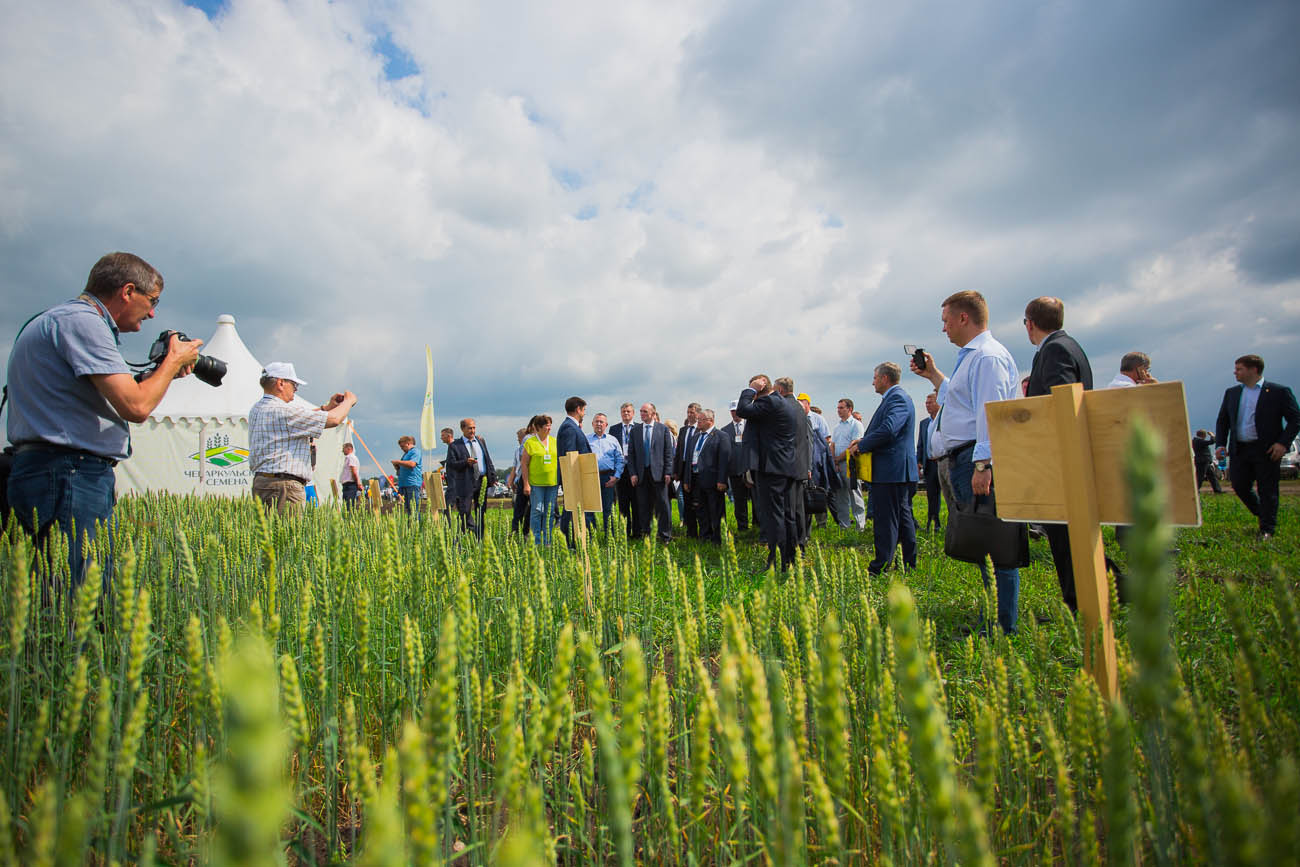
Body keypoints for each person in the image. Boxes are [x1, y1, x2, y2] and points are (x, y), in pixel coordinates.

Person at [5, 252, 202, 588]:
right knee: (76, 596)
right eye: (151, 300)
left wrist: (163, 375)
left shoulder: (55, 319)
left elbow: (117, 396)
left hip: (52, 472)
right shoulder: (84, 323)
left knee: (53, 595)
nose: (153, 312)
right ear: (127, 292)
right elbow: (135, 407)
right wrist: (172, 361)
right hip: (69, 474)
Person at [912, 290, 1022, 634]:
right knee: (985, 543)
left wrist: (982, 464)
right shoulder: (971, 357)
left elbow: (988, 411)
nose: (943, 329)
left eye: (946, 321)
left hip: (976, 458)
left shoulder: (987, 357)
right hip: (966, 457)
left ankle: (1002, 625)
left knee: (995, 544)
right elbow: (958, 401)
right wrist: (933, 375)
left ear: (963, 317)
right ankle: (993, 616)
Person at [1023, 296, 1094, 612]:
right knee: (1069, 535)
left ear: (1030, 324)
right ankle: (1098, 589)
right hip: (1063, 455)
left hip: (1060, 457)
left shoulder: (1055, 349)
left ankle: (1082, 599)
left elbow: (1061, 402)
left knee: (1066, 537)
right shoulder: (1069, 345)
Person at [248, 362, 357, 513]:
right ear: (280, 383)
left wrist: (326, 408)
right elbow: (334, 419)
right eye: (293, 384)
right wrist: (349, 402)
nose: (295, 389)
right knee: (287, 534)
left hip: (262, 483)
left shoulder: (258, 408)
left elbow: (295, 419)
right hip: (284, 487)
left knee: (268, 534)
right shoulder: (283, 411)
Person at [1215, 354, 1300, 540]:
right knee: (1239, 484)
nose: (1235, 372)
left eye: (1239, 369)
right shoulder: (1233, 393)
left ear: (1254, 370)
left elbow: (1295, 419)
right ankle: (1264, 514)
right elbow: (1223, 421)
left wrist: (1283, 443)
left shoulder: (1279, 392)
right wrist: (1221, 444)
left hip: (1267, 450)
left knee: (1267, 489)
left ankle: (1267, 529)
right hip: (1240, 449)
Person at [849, 363, 918, 575]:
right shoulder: (896, 398)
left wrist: (862, 445)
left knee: (886, 519)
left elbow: (889, 430)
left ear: (885, 379)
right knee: (902, 516)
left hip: (891, 470)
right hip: (895, 470)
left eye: (875, 378)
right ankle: (908, 563)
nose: (873, 382)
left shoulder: (897, 399)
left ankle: (881, 565)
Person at [737, 374, 807, 571]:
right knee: (786, 515)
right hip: (785, 466)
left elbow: (743, 409)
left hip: (772, 468)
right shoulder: (784, 403)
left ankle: (778, 562)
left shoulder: (770, 401)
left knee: (774, 515)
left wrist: (751, 389)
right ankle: (789, 558)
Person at [626, 402, 675, 542]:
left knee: (663, 505)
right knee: (643, 505)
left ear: (653, 414)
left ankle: (665, 535)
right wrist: (633, 473)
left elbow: (668, 453)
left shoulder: (663, 429)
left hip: (659, 474)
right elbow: (631, 454)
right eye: (641, 411)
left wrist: (668, 472)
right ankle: (646, 534)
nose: (642, 414)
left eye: (645, 412)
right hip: (641, 474)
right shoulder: (635, 430)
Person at [681, 409, 730, 543]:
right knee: (701, 510)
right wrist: (687, 480)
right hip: (696, 479)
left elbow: (724, 460)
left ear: (710, 421)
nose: (698, 422)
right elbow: (689, 459)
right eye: (698, 420)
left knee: (716, 510)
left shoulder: (721, 436)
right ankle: (705, 536)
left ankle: (719, 538)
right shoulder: (695, 437)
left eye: (701, 420)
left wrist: (722, 480)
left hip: (713, 480)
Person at [446, 418, 496, 536]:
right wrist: (465, 462)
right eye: (469, 428)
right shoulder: (455, 445)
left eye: (474, 428)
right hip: (465, 483)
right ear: (462, 429)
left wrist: (492, 477)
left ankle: (481, 538)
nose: (472, 430)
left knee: (481, 511)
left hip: (482, 480)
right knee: (465, 511)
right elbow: (452, 464)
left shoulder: (480, 441)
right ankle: (458, 537)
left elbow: (487, 459)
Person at [556, 397, 596, 542]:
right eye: (584, 410)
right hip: (574, 477)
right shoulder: (569, 427)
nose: (584, 413)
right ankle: (569, 541)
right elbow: (570, 454)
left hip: (577, 476)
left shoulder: (571, 426)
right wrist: (574, 477)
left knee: (573, 510)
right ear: (578, 409)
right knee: (572, 510)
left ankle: (575, 539)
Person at [520, 414, 559, 545]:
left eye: (550, 425)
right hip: (536, 484)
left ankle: (547, 541)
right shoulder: (530, 443)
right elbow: (524, 464)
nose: (549, 428)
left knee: (550, 512)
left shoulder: (554, 441)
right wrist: (526, 484)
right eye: (546, 425)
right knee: (537, 511)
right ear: (538, 427)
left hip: (552, 483)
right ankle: (536, 541)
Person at [829, 397, 866, 529]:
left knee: (855, 494)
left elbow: (854, 445)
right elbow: (832, 444)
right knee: (840, 496)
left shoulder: (856, 425)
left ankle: (860, 525)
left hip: (851, 464)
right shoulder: (837, 426)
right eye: (838, 408)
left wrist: (838, 459)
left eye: (841, 408)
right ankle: (844, 525)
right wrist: (834, 460)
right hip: (838, 465)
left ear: (849, 409)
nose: (838, 410)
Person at [719, 401, 754, 532]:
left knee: (756, 500)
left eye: (737, 410)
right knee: (739, 502)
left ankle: (757, 525)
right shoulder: (725, 431)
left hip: (751, 470)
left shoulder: (751, 426)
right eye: (732, 411)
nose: (735, 413)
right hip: (735, 471)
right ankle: (742, 527)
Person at [588, 412, 626, 531]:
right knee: (590, 509)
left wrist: (616, 476)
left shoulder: (613, 440)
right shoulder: (586, 439)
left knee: (608, 508)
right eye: (596, 421)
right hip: (591, 477)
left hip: (608, 477)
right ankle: (591, 537)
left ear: (606, 425)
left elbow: (620, 459)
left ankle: (610, 536)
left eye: (601, 422)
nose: (599, 424)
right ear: (592, 424)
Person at [608, 403, 639, 537]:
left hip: (636, 471)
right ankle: (625, 532)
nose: (626, 414)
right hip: (621, 470)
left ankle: (638, 532)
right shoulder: (614, 429)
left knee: (637, 503)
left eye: (628, 411)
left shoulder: (639, 428)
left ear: (633, 413)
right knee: (623, 503)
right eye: (623, 412)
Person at [673, 403, 702, 538]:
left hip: (697, 469)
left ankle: (703, 530)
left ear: (698, 414)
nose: (689, 415)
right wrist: (677, 471)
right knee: (687, 500)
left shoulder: (700, 430)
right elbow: (679, 452)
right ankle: (691, 532)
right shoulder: (683, 430)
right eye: (688, 412)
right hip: (684, 468)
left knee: (698, 501)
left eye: (692, 412)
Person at [916, 392, 942, 532]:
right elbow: (921, 444)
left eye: (930, 402)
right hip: (930, 464)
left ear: (938, 403)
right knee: (932, 495)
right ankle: (933, 522)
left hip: (943, 461)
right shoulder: (924, 423)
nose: (927, 405)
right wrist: (919, 460)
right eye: (926, 403)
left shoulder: (944, 420)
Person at [506, 428, 531, 534]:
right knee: (518, 507)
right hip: (518, 481)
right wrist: (510, 481)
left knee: (528, 506)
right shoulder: (518, 450)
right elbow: (515, 467)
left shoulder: (528, 446)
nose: (518, 440)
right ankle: (515, 530)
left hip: (527, 479)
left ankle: (525, 530)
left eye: (519, 438)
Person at [391, 435, 423, 514]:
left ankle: (416, 525)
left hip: (412, 484)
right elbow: (401, 468)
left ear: (408, 443)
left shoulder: (415, 451)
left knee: (413, 509)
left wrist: (398, 462)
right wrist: (397, 466)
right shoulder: (405, 454)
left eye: (402, 446)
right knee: (408, 509)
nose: (401, 448)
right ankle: (410, 525)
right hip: (404, 484)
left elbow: (412, 464)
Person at [1191, 430, 1223, 494]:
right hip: (1203, 461)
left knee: (1212, 476)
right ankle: (1195, 490)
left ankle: (1217, 490)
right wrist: (1212, 435)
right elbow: (1212, 442)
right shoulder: (1199, 441)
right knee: (1200, 476)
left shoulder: (1195, 440)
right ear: (1204, 435)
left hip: (1203, 461)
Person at [339, 442, 362, 507]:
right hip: (348, 485)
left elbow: (354, 472)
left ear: (349, 449)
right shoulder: (349, 458)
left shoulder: (351, 458)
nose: (342, 450)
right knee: (347, 505)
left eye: (344, 449)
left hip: (350, 485)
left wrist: (357, 483)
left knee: (349, 505)